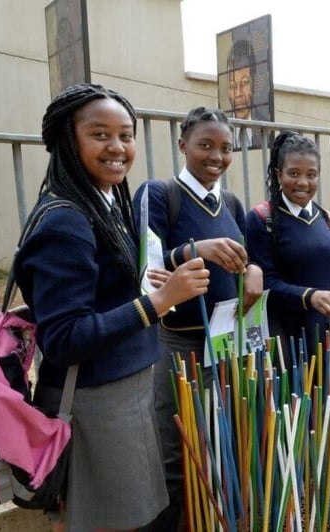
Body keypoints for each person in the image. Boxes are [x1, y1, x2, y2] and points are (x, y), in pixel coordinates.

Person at [13, 83, 210, 531]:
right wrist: (159, 301)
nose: (117, 147)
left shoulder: (105, 200)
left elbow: (108, 282)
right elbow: (63, 339)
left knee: (139, 518)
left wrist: (155, 282)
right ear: (69, 139)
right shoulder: (66, 219)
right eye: (100, 134)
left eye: (126, 134)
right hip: (98, 406)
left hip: (128, 394)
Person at [132, 106, 263, 531]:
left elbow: (244, 260)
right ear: (183, 144)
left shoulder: (230, 201)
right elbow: (146, 274)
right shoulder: (158, 194)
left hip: (225, 342)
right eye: (205, 145)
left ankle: (215, 520)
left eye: (226, 148)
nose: (216, 156)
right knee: (174, 447)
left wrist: (253, 269)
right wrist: (193, 250)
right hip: (178, 344)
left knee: (223, 438)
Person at [245, 131, 330, 367]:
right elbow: (265, 284)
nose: (303, 182)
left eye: (311, 175)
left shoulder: (327, 220)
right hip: (281, 338)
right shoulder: (262, 219)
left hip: (323, 336)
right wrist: (309, 296)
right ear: (279, 174)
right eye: (294, 174)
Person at [226, 39, 268, 149]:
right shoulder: (221, 129)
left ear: (254, 82)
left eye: (244, 83)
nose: (238, 94)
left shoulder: (266, 128)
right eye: (232, 86)